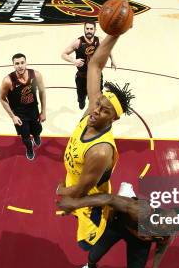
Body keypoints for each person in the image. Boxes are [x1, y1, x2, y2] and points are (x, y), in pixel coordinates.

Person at [56, 31, 134, 252]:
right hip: (76, 181)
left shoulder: (100, 151)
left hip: (90, 201)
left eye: (103, 110)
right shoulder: (92, 110)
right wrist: (115, 33)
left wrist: (61, 191)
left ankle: (122, 208)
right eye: (98, 104)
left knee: (87, 245)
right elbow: (95, 65)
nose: (95, 110)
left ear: (114, 118)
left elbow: (80, 191)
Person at [0, 53, 46, 160]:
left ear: (26, 63)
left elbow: (42, 91)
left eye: (22, 63)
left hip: (34, 110)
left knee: (37, 129)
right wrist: (13, 116)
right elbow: (1, 98)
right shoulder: (8, 81)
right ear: (13, 65)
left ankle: (37, 135)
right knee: (25, 137)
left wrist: (43, 111)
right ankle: (29, 148)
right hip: (20, 114)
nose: (20, 66)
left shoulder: (36, 75)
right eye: (17, 63)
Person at [61, 21, 116, 109]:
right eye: (87, 29)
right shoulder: (78, 42)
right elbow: (63, 54)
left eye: (91, 29)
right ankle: (81, 101)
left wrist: (112, 60)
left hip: (96, 77)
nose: (89, 31)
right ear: (84, 29)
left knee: (96, 101)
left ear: (95, 30)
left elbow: (108, 49)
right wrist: (74, 61)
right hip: (82, 78)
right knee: (81, 101)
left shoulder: (100, 41)